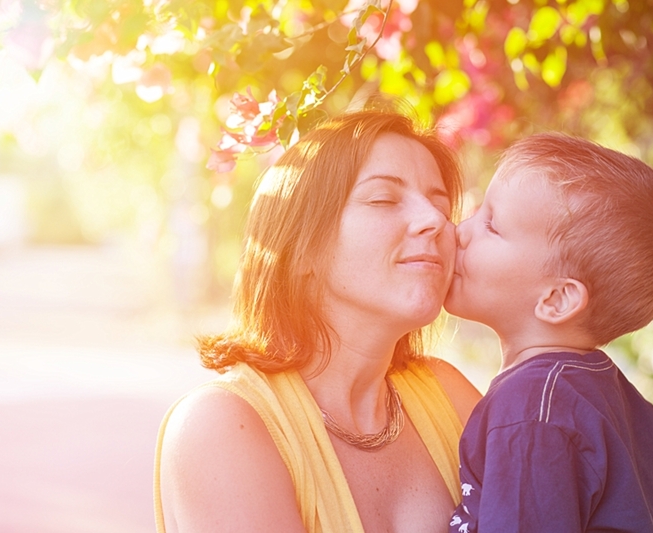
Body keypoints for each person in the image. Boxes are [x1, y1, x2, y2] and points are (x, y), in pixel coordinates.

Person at [153, 109, 482, 533]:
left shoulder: (447, 395)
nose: (436, 221)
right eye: (384, 199)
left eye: (441, 205)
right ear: (302, 248)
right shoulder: (222, 425)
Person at [445, 133, 653, 533]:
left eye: (491, 225)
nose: (461, 231)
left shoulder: (530, 412)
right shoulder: (613, 396)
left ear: (556, 299)